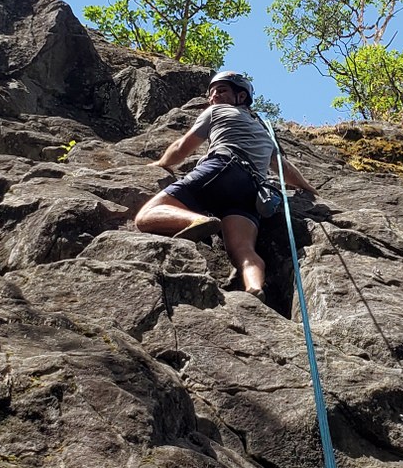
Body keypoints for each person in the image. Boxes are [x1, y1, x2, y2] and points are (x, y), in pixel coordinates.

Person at [133, 70, 315, 298]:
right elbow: (283, 167)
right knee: (243, 250)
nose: (214, 96)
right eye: (211, 93)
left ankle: (198, 220)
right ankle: (254, 289)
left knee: (145, 215)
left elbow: (182, 147)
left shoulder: (216, 111)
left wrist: (161, 163)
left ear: (241, 96)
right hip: (252, 191)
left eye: (221, 90)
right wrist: (308, 189)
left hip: (222, 169)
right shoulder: (264, 133)